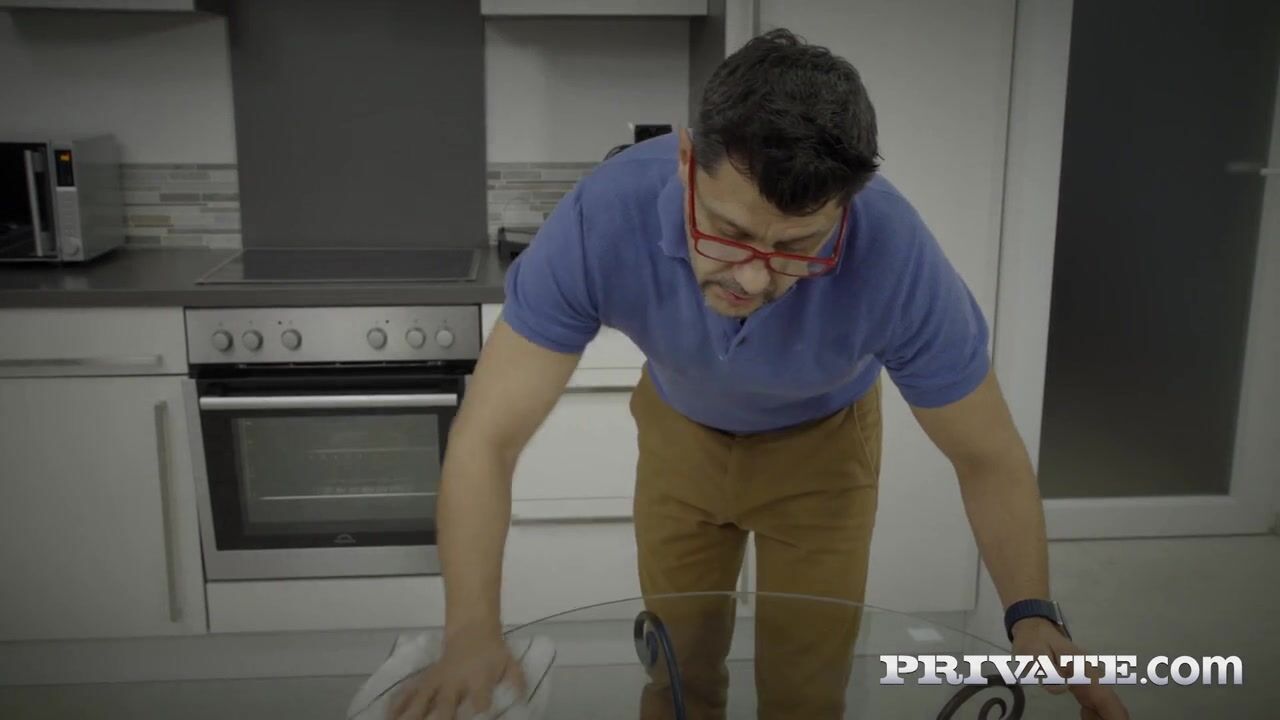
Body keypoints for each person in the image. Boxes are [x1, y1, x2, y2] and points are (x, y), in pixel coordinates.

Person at [392, 28, 1129, 720]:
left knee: (806, 691)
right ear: (687, 164)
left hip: (825, 446)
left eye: (798, 246)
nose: (752, 276)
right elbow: (486, 438)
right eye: (729, 232)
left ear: (846, 207)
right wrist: (471, 630)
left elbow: (988, 455)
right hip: (680, 430)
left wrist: (1033, 616)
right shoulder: (602, 217)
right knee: (677, 674)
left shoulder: (897, 258)